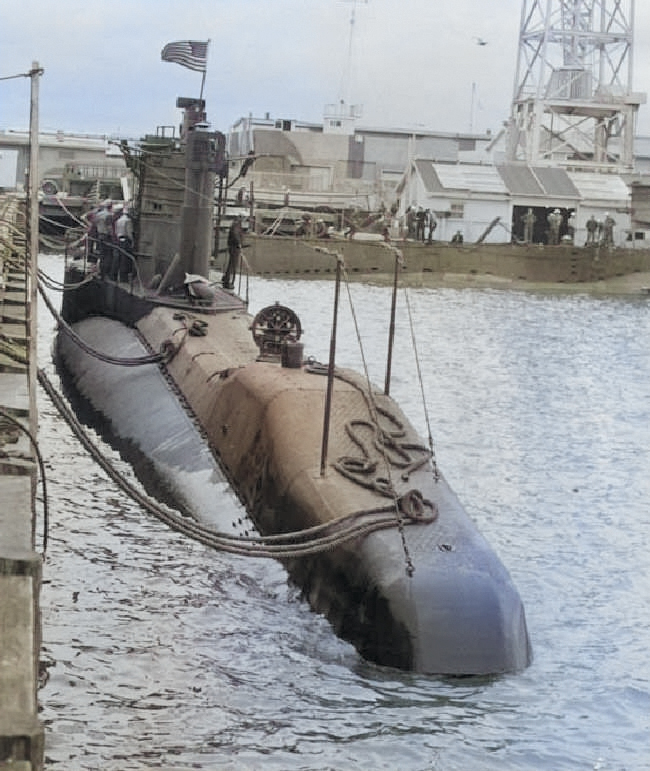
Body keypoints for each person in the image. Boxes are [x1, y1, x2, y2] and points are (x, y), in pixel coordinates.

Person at [222, 216, 243, 289]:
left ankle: (227, 280)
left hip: (233, 247)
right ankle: (228, 282)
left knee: (231, 265)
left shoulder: (235, 224)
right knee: (233, 265)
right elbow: (235, 234)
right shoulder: (236, 224)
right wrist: (239, 243)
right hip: (234, 247)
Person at [115, 205, 134, 281]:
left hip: (119, 240)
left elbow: (116, 231)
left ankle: (117, 276)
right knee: (125, 260)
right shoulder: (128, 221)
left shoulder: (118, 220)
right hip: (126, 240)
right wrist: (132, 241)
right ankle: (124, 278)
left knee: (119, 258)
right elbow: (129, 232)